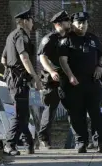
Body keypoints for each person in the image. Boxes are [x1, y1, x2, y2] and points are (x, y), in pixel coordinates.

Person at [58, 12, 102, 153]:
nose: (82, 25)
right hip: (74, 84)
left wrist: (99, 66)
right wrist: (70, 76)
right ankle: (81, 142)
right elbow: (63, 60)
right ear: (73, 24)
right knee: (76, 114)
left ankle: (101, 141)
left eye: (84, 22)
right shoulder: (67, 39)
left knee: (96, 113)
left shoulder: (93, 39)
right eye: (79, 22)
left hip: (92, 82)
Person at [1, 9, 42, 155]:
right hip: (19, 80)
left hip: (15, 79)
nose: (32, 23)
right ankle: (9, 145)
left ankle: (29, 143)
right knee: (20, 114)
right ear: (25, 21)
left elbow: (3, 59)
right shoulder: (20, 35)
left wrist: (11, 73)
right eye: (31, 20)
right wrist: (36, 78)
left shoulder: (11, 35)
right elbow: (24, 58)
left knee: (23, 114)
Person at [36, 10, 71, 149]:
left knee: (73, 108)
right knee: (51, 109)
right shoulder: (50, 38)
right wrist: (51, 71)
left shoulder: (69, 37)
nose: (69, 23)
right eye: (66, 21)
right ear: (58, 24)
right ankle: (43, 138)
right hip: (53, 79)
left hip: (67, 78)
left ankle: (79, 139)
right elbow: (42, 57)